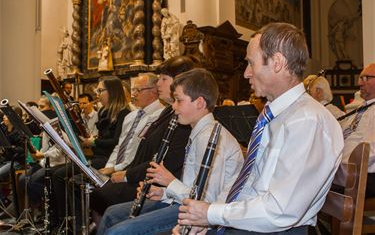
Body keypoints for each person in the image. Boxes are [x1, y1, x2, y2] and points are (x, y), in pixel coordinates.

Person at [172, 22, 344, 235]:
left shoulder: (307, 121)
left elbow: (280, 211)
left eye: (251, 64)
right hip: (250, 223)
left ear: (277, 62)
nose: (245, 73)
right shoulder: (272, 114)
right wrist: (208, 218)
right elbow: (246, 183)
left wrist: (212, 214)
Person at [97, 68, 244, 235]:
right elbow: (192, 186)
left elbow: (205, 201)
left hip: (202, 216)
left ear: (200, 103)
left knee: (118, 231)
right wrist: (164, 193)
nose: (173, 107)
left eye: (178, 100)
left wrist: (170, 182)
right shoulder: (198, 131)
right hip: (185, 204)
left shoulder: (208, 137)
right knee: (111, 215)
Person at [89, 56, 193, 222]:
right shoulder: (167, 112)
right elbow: (140, 148)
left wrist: (127, 175)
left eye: (163, 79)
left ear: (182, 81)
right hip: (143, 177)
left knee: (101, 198)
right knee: (97, 192)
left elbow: (165, 161)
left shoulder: (182, 117)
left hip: (155, 185)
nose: (158, 84)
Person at [52, 75, 130, 225]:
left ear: (112, 92)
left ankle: (75, 223)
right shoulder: (104, 112)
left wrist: (93, 142)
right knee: (57, 174)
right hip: (97, 156)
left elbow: (117, 142)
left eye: (100, 90)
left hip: (108, 160)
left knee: (61, 176)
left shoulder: (123, 113)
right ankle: (66, 220)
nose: (97, 94)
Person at [340, 63, 375, 198]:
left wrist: (346, 169)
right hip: (347, 172)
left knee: (314, 186)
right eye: (360, 78)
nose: (359, 82)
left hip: (365, 175)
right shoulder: (361, 108)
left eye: (366, 78)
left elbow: (371, 150)